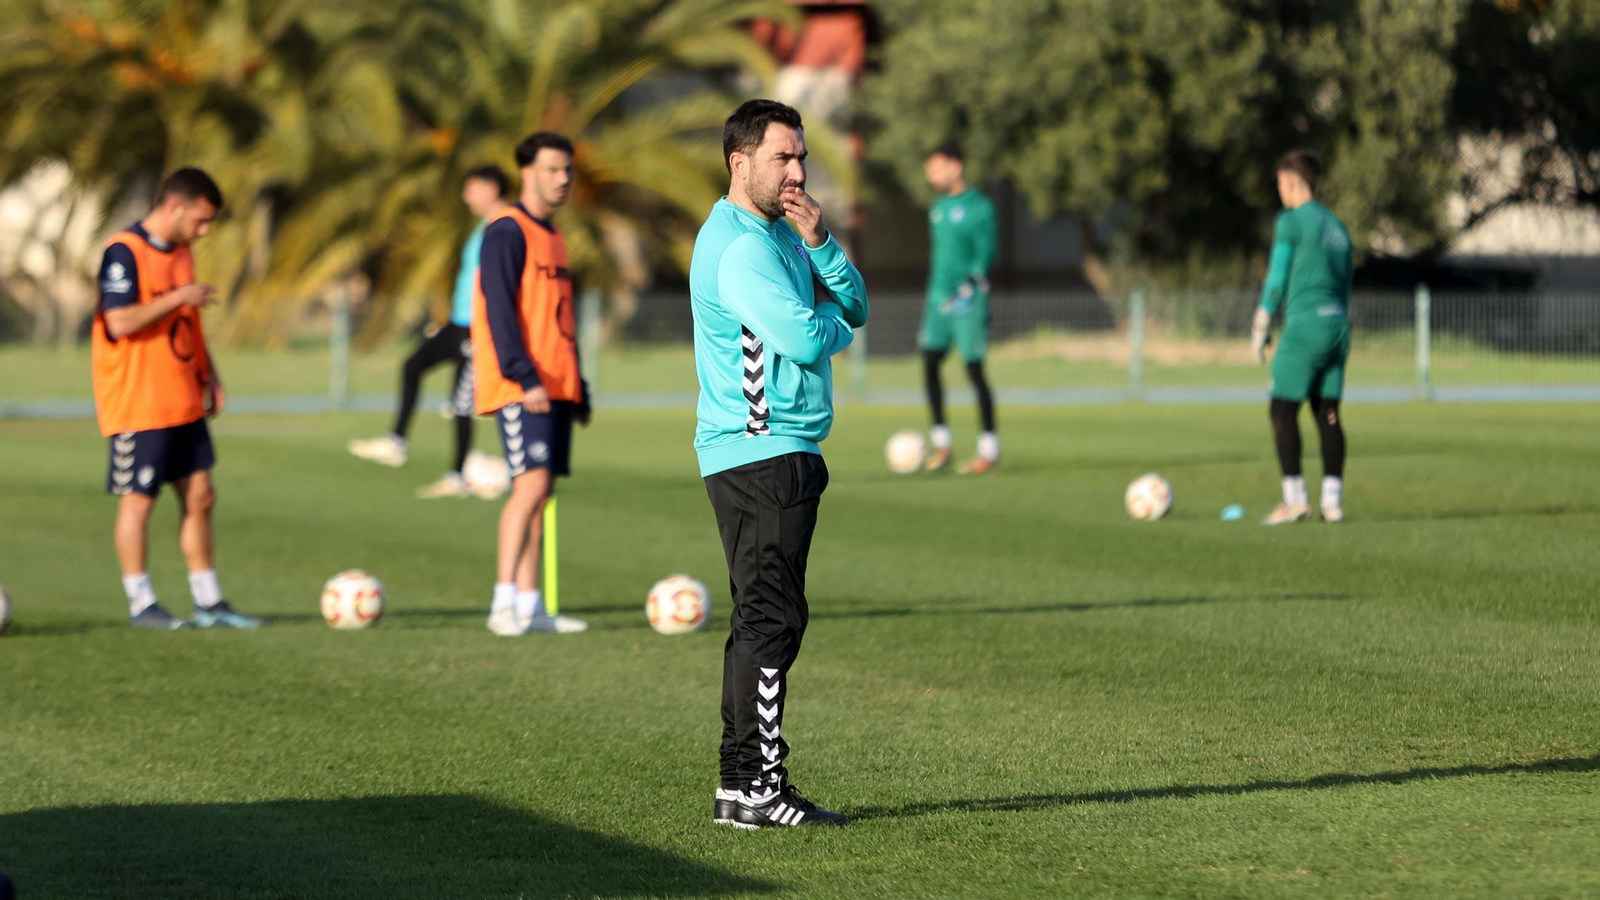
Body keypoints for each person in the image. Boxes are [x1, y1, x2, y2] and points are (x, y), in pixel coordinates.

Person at [691, 99, 868, 829]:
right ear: (740, 163)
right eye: (782, 158)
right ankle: (760, 787)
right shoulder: (740, 248)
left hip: (778, 450)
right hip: (762, 450)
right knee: (773, 620)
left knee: (759, 619)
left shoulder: (785, 235)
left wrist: (821, 243)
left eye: (801, 157)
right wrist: (832, 324)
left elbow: (856, 305)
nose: (797, 172)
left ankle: (741, 786)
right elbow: (808, 337)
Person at [92, 168, 263, 630]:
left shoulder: (183, 252)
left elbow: (187, 323)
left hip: (182, 396)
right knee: (138, 503)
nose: (204, 231)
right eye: (200, 221)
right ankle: (141, 603)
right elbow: (119, 322)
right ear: (174, 206)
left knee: (201, 497)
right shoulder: (123, 252)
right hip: (138, 401)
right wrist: (177, 298)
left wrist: (211, 374)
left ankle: (209, 601)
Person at [472, 133, 592, 636]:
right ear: (527, 172)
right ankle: (502, 604)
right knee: (530, 486)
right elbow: (498, 310)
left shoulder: (554, 235)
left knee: (542, 492)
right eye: (551, 169)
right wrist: (523, 376)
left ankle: (530, 606)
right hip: (523, 385)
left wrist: (577, 384)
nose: (562, 179)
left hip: (556, 383)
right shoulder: (507, 230)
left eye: (567, 170)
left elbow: (558, 317)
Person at [349, 166, 510, 498]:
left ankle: (461, 475)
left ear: (492, 188)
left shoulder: (505, 228)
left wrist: (491, 331)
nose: (466, 197)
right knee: (412, 365)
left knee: (461, 404)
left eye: (471, 189)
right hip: (458, 323)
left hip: (478, 329)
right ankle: (397, 442)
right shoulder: (482, 227)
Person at [1251, 149, 1352, 525]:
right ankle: (1332, 503)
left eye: (1280, 183)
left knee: (1281, 410)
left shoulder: (1291, 221)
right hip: (1338, 327)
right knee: (1328, 413)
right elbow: (1346, 285)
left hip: (1305, 326)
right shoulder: (1337, 228)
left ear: (1292, 182)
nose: (1280, 191)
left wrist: (1262, 320)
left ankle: (1294, 500)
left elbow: (1277, 276)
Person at [919, 143, 999, 473]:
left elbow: (986, 252)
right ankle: (942, 444)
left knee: (974, 370)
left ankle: (989, 450)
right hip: (937, 300)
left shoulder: (980, 207)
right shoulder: (937, 209)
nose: (932, 177)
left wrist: (971, 282)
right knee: (929, 362)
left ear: (956, 167)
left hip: (968, 298)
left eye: (937, 169)